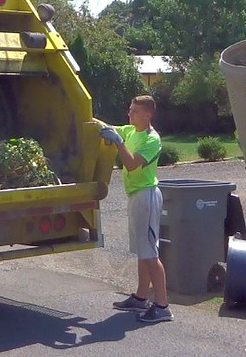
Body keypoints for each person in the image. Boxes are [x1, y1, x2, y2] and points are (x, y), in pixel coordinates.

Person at [98, 95, 172, 323]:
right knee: (143, 250)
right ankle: (141, 298)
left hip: (147, 197)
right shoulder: (131, 130)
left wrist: (118, 142)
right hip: (135, 196)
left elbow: (130, 164)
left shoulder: (152, 140)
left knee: (150, 253)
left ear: (147, 114)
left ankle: (162, 306)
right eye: (130, 110)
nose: (129, 114)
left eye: (134, 111)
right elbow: (106, 127)